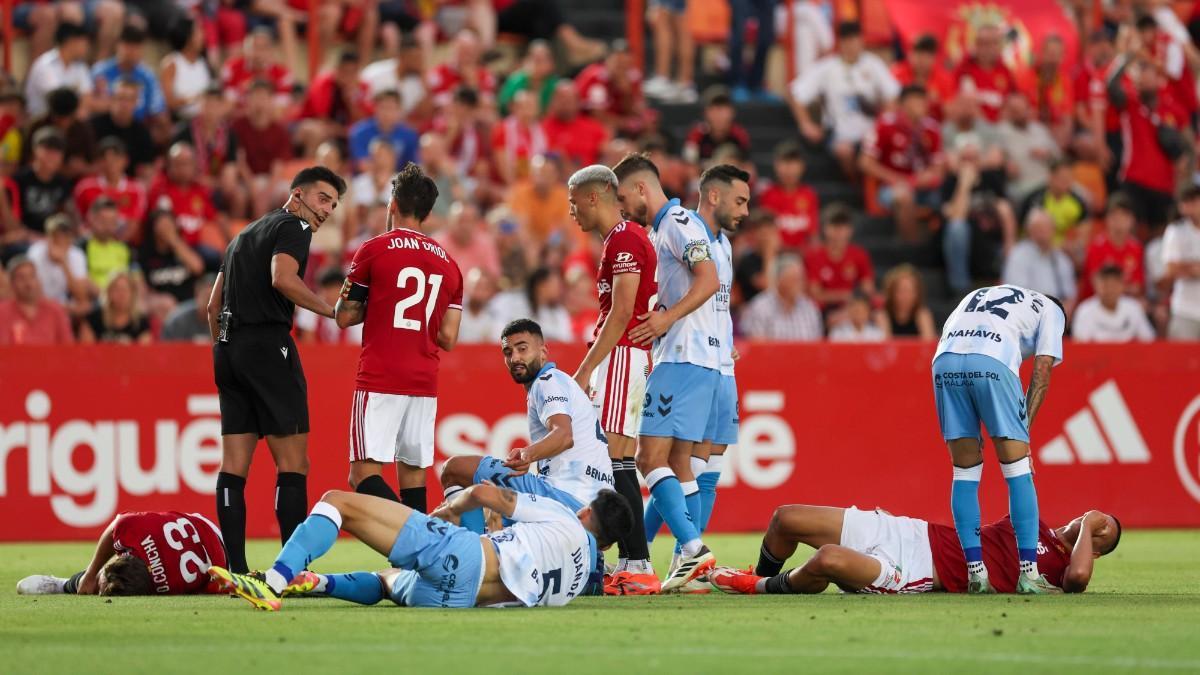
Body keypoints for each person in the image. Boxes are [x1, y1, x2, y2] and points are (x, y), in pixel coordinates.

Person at [207, 165, 347, 574]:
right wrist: (331, 311)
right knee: (293, 464)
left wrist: (226, 350)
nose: (326, 211)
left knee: (234, 465)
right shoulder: (294, 228)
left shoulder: (242, 236)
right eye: (323, 199)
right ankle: (293, 569)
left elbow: (212, 307)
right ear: (298, 194)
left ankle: (235, 569)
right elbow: (282, 279)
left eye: (334, 205)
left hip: (228, 349)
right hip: (268, 346)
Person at [209, 483, 632, 610]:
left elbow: (488, 493)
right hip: (455, 601)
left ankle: (275, 581)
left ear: (584, 512)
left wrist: (447, 512)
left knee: (336, 503)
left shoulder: (565, 517)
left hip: (462, 553)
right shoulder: (578, 582)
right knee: (386, 580)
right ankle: (315, 582)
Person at [611, 153, 720, 592]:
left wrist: (665, 318)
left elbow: (708, 279)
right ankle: (689, 565)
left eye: (622, 197)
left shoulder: (677, 222)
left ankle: (693, 549)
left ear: (641, 188)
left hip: (683, 356)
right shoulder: (664, 228)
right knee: (677, 462)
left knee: (646, 457)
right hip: (697, 358)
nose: (622, 208)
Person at [334, 162, 463, 513]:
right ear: (428, 212)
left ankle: (426, 535)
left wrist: (377, 306)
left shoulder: (374, 249)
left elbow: (343, 316)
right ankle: (418, 564)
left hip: (380, 375)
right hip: (423, 379)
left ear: (392, 202)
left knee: (361, 475)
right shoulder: (450, 265)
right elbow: (449, 337)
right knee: (413, 478)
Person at [643, 164, 748, 593]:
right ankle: (678, 561)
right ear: (715, 197)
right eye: (740, 201)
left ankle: (679, 559)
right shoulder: (692, 232)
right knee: (688, 465)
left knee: (689, 466)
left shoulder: (716, 242)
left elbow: (714, 303)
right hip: (704, 363)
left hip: (710, 364)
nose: (745, 211)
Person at [932, 284, 1068, 594]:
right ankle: (1029, 575)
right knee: (1018, 469)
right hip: (992, 360)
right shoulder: (1052, 310)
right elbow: (1042, 370)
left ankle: (976, 575)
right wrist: (1024, 432)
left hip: (945, 360)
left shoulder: (986, 292)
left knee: (964, 471)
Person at [565, 165, 659, 593]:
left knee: (619, 458)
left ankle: (638, 566)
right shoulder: (622, 239)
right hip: (625, 356)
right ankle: (633, 562)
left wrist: (584, 370)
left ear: (593, 196)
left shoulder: (623, 238)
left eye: (573, 202)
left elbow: (622, 312)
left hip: (622, 356)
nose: (571, 212)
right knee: (616, 459)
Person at [708, 503, 1120, 595]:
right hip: (908, 531)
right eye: (1095, 519)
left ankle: (760, 587)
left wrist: (1089, 526)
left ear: (1096, 551)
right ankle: (765, 572)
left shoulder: (1056, 572)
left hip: (916, 569)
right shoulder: (1033, 524)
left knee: (827, 560)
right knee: (786, 519)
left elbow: (1079, 578)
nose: (1093, 523)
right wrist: (1086, 525)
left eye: (1103, 532)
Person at [440, 318, 615, 529]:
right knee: (495, 510)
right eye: (508, 352)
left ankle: (471, 551)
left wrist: (528, 454)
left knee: (455, 468)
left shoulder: (546, 382)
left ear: (543, 352)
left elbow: (564, 436)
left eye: (522, 349)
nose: (515, 358)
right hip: (593, 508)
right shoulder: (559, 382)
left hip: (564, 496)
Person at [16, 510, 226, 596]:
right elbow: (115, 526)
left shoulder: (167, 587)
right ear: (125, 554)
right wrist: (91, 574)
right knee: (100, 577)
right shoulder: (135, 530)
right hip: (200, 525)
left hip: (220, 554)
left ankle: (63, 585)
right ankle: (68, 583)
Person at [1001, 209, 1077, 313]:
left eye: (1046, 227)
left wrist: (1059, 320)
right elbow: (1017, 298)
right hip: (1027, 318)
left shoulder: (1062, 259)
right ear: (1029, 231)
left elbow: (1070, 297)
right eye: (1038, 228)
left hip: (1056, 319)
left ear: (1054, 230)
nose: (1043, 232)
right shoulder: (1018, 256)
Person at [740, 255, 823, 341]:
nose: (800, 285)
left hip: (805, 354)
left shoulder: (809, 308)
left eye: (801, 279)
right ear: (779, 279)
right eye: (794, 279)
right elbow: (755, 344)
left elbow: (817, 346)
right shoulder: (760, 307)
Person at [24, 22, 93, 119]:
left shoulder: (80, 67)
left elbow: (87, 98)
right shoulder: (45, 65)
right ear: (71, 42)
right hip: (41, 121)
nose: (87, 48)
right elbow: (58, 101)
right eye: (85, 43)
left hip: (69, 119)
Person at [0, 255, 74, 345]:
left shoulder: (55, 310)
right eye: (21, 278)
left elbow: (68, 348)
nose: (28, 283)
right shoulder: (2, 312)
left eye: (32, 276)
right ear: (12, 283)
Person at [1072, 265, 1155, 342]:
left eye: (1114, 285)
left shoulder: (1134, 307)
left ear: (1122, 286)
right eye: (1105, 285)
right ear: (1096, 285)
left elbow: (1148, 340)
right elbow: (1080, 344)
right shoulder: (1085, 310)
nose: (1110, 290)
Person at [1163, 185, 1200, 340]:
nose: (1189, 206)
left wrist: (1187, 266)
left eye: (1194, 201)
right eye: (1186, 202)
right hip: (1185, 309)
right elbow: (1171, 269)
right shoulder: (1176, 231)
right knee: (1182, 362)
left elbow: (1180, 267)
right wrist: (1194, 269)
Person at [79, 270, 152, 344]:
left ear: (133, 293)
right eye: (117, 290)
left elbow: (144, 352)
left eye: (125, 290)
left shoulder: (141, 322)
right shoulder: (93, 318)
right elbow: (86, 351)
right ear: (109, 292)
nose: (121, 295)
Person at [881, 264, 936, 338]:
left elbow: (929, 344)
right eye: (901, 291)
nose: (906, 296)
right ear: (892, 292)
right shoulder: (883, 316)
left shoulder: (922, 315)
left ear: (917, 293)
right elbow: (883, 345)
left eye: (910, 291)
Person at [161, 273, 218, 343]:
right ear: (196, 295)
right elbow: (167, 349)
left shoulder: (226, 321)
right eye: (207, 297)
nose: (210, 304)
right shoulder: (178, 321)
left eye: (216, 299)